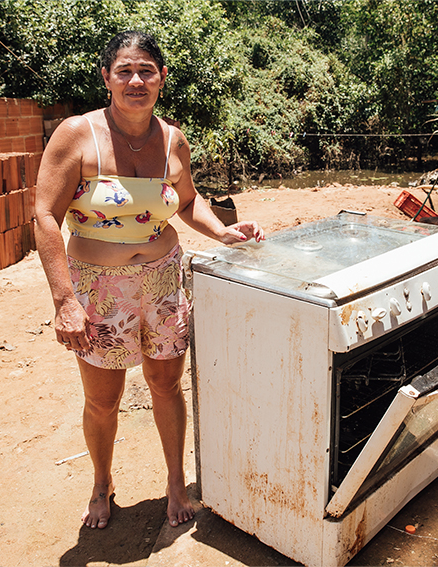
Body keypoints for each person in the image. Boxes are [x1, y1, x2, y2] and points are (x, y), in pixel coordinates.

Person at [34, 30, 264, 530]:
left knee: (166, 384)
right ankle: (102, 485)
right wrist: (64, 299)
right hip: (100, 289)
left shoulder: (172, 139)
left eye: (146, 71)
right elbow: (45, 217)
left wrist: (223, 231)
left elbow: (185, 202)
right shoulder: (78, 135)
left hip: (163, 283)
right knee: (103, 398)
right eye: (125, 71)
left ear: (161, 78)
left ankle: (176, 483)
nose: (136, 80)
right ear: (107, 77)